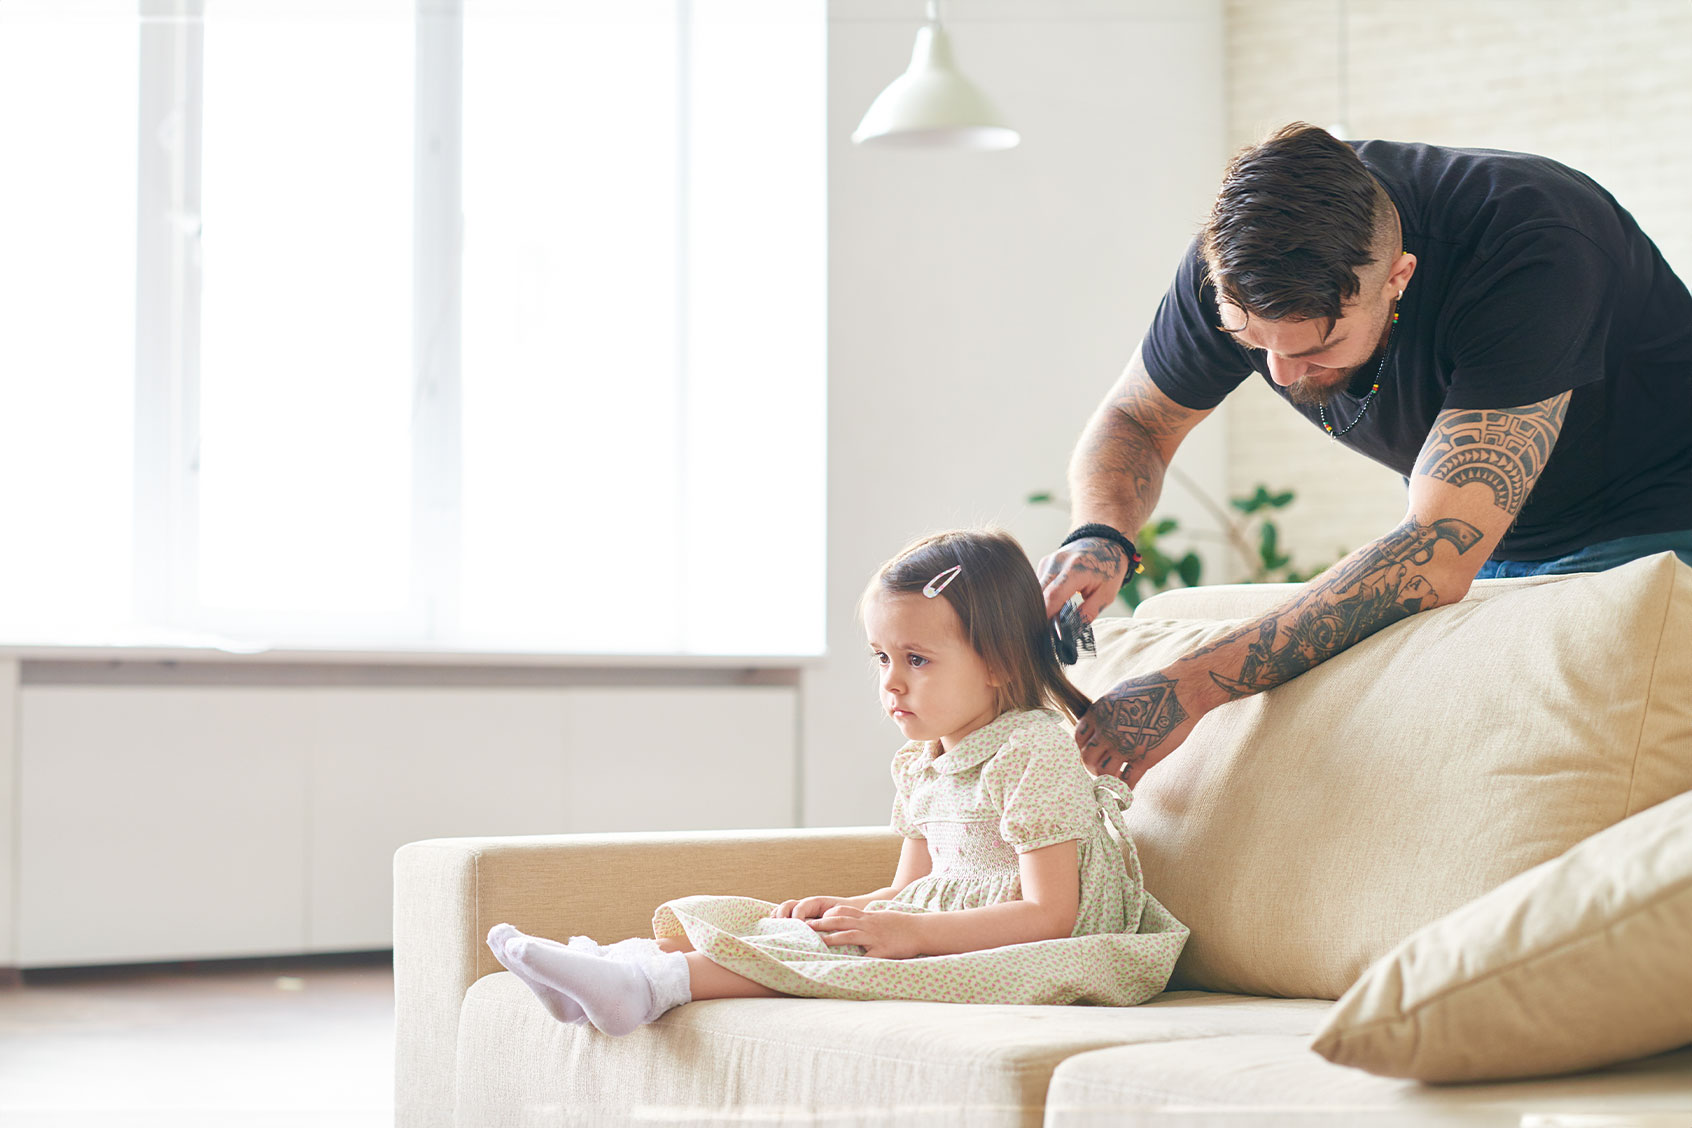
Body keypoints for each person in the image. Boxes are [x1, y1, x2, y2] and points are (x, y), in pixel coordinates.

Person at [1039, 122, 1692, 786]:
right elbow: (1137, 419)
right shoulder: (1237, 261)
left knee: (1608, 780)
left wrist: (1190, 685)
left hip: (1659, 517)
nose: (1282, 375)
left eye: (1313, 348)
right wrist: (1101, 533)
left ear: (1398, 278)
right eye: (1252, 343)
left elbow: (1439, 548)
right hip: (1491, 540)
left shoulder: (1531, 243)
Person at [487, 528, 1188, 1037]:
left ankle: (650, 985)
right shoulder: (922, 763)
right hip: (945, 926)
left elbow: (1051, 916)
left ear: (999, 663)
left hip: (1039, 953)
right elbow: (912, 887)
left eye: (917, 659)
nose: (890, 682)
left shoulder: (1032, 751)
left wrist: (908, 933)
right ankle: (617, 966)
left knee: (855, 962)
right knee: (783, 929)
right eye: (881, 657)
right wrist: (861, 907)